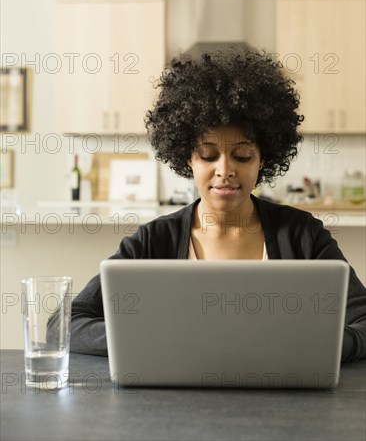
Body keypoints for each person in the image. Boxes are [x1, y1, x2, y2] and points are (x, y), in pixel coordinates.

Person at [70, 48, 366, 362]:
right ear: (188, 158)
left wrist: (315, 343)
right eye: (208, 155)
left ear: (263, 159)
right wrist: (149, 337)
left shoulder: (303, 236)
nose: (225, 170)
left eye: (242, 156)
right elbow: (68, 323)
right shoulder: (153, 241)